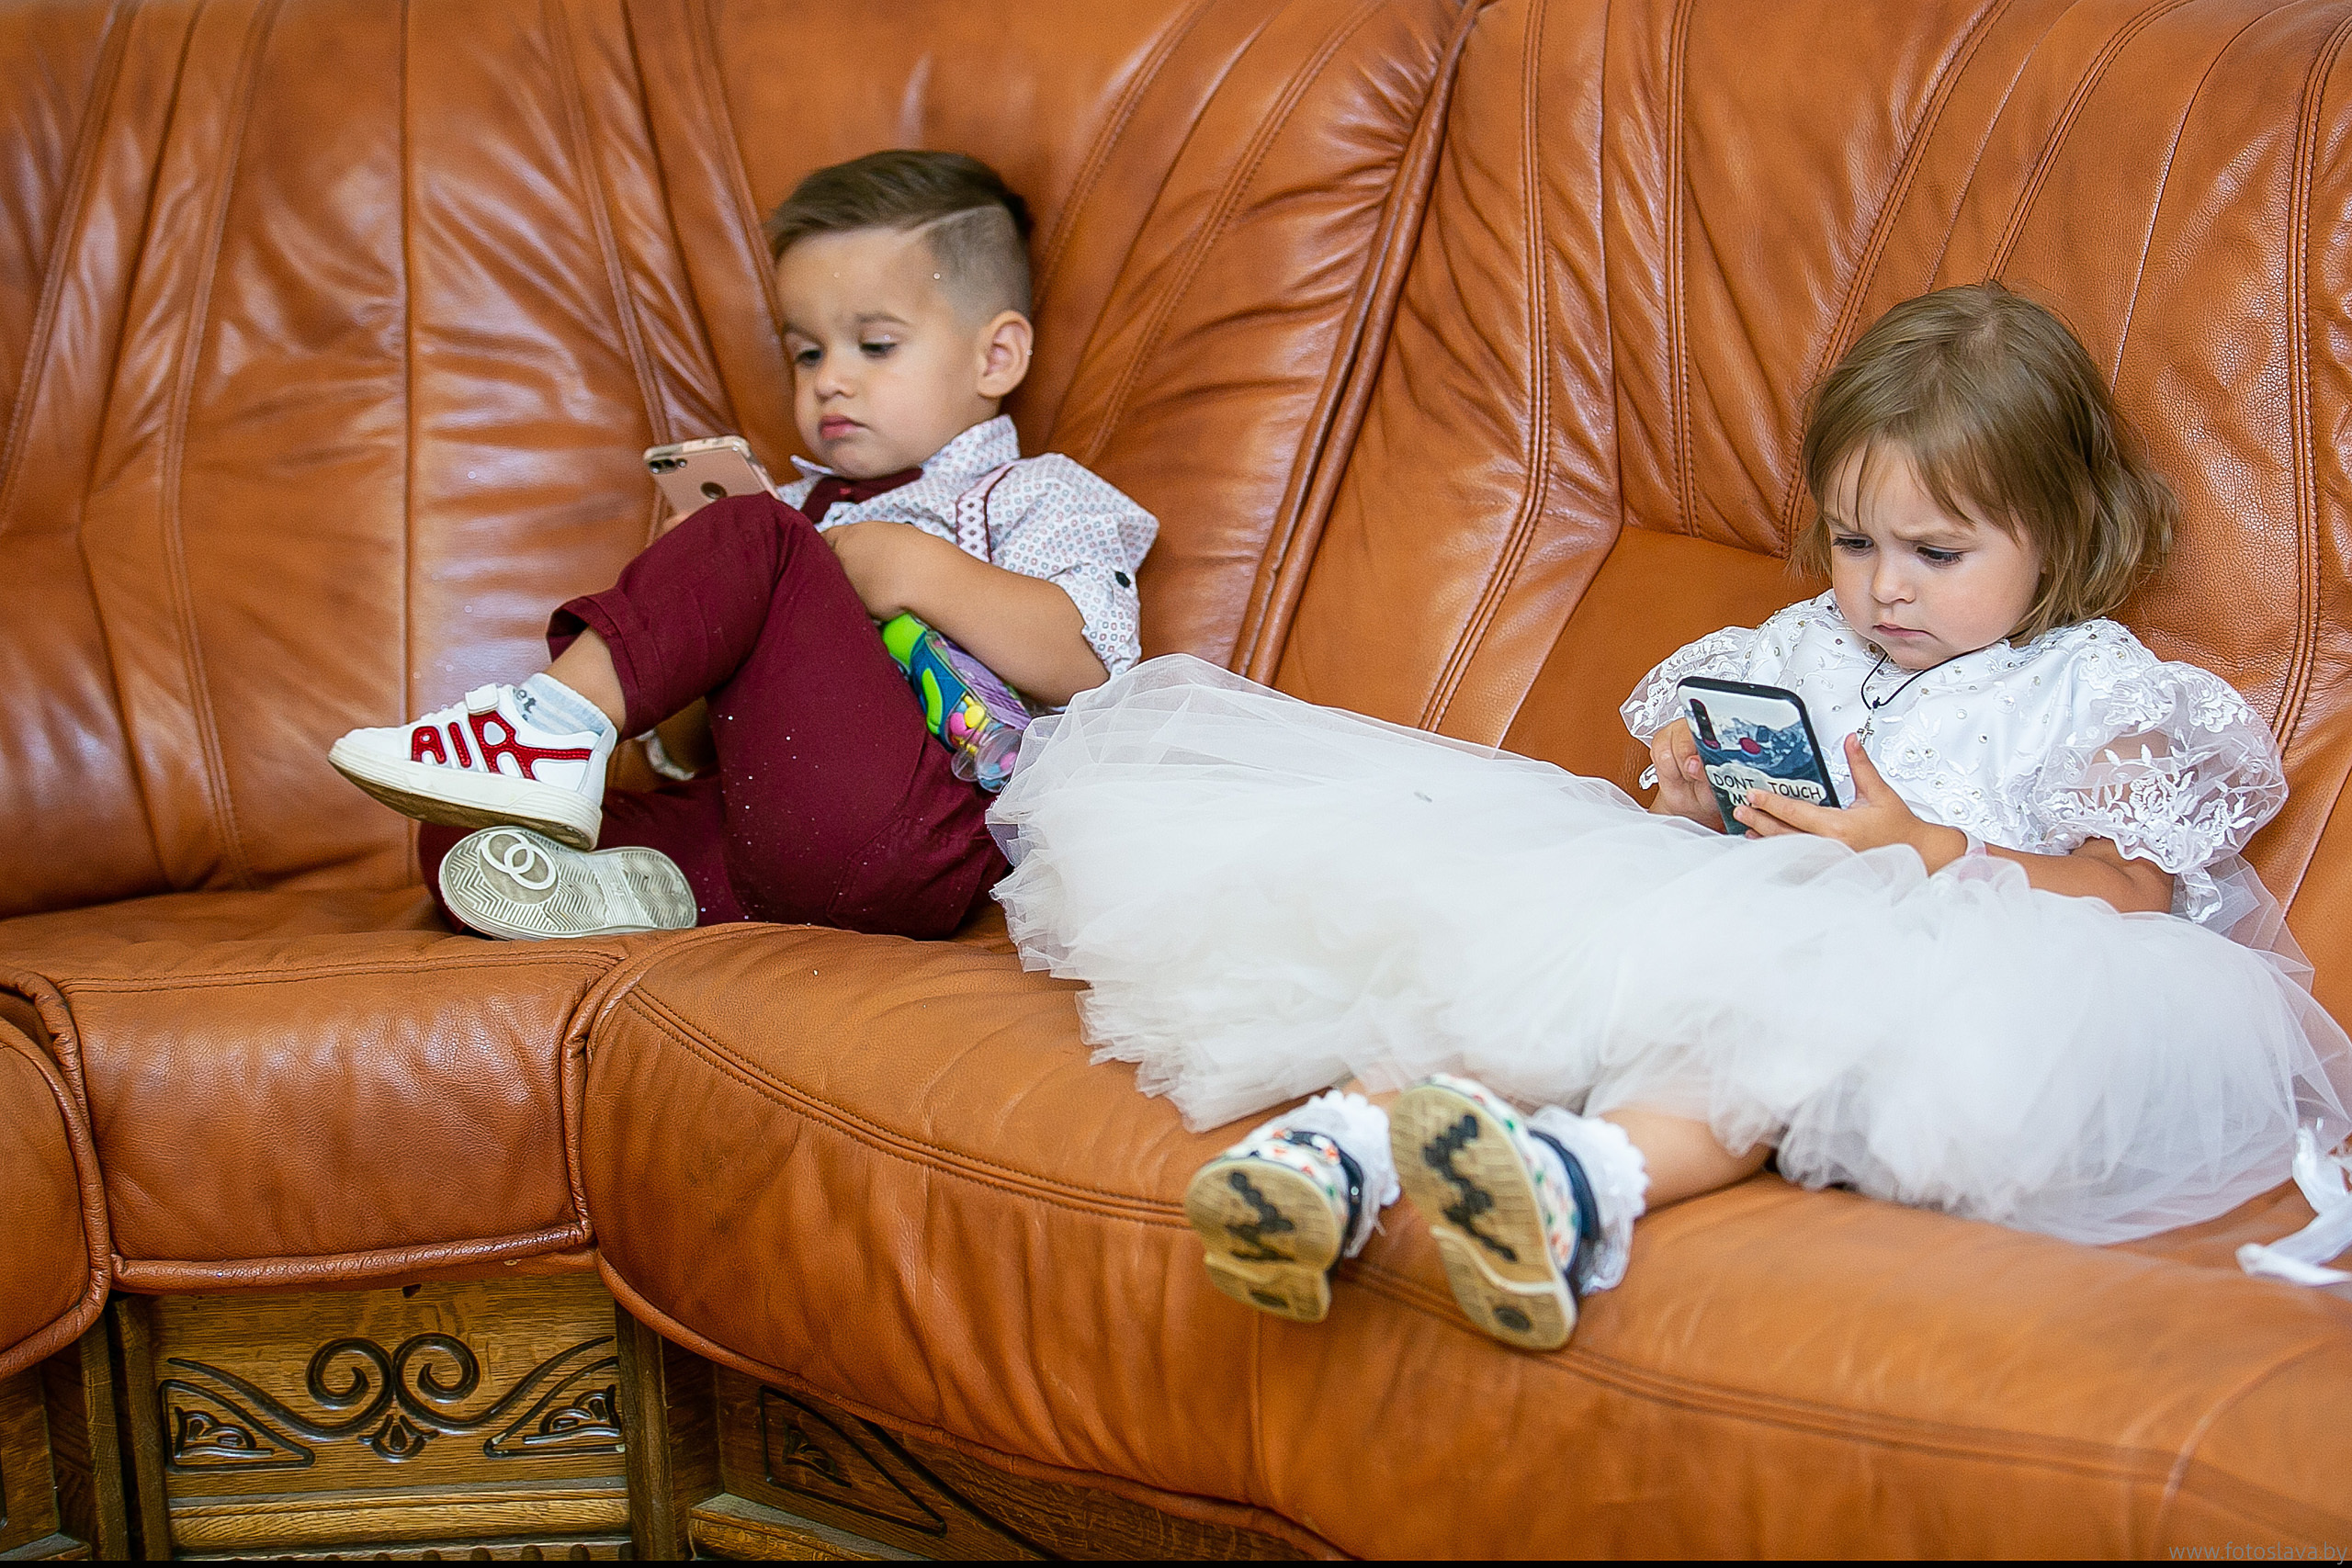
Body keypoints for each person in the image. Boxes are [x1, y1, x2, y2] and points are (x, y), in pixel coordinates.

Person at [988, 281, 2352, 1348]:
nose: (1884, 587)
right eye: (1854, 538)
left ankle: (1585, 1185)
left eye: (1939, 553)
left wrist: (1925, 848)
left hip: (1953, 954)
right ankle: (1333, 1151)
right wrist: (1699, 789)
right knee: (1522, 933)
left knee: (1771, 1017)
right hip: (1728, 910)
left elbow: (2133, 896)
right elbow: (1697, 800)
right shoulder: (1804, 640)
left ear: (2058, 533)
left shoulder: (2094, 685)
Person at [328, 151, 1155, 941]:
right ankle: (631, 887)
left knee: (759, 534)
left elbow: (1089, 661)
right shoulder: (789, 508)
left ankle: (546, 726)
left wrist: (910, 568)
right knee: (463, 831)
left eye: (875, 345)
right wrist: (703, 603)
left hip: (929, 830)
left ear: (995, 355)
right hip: (766, 843)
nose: (831, 377)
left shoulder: (1034, 491)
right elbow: (692, 753)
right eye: (806, 351)